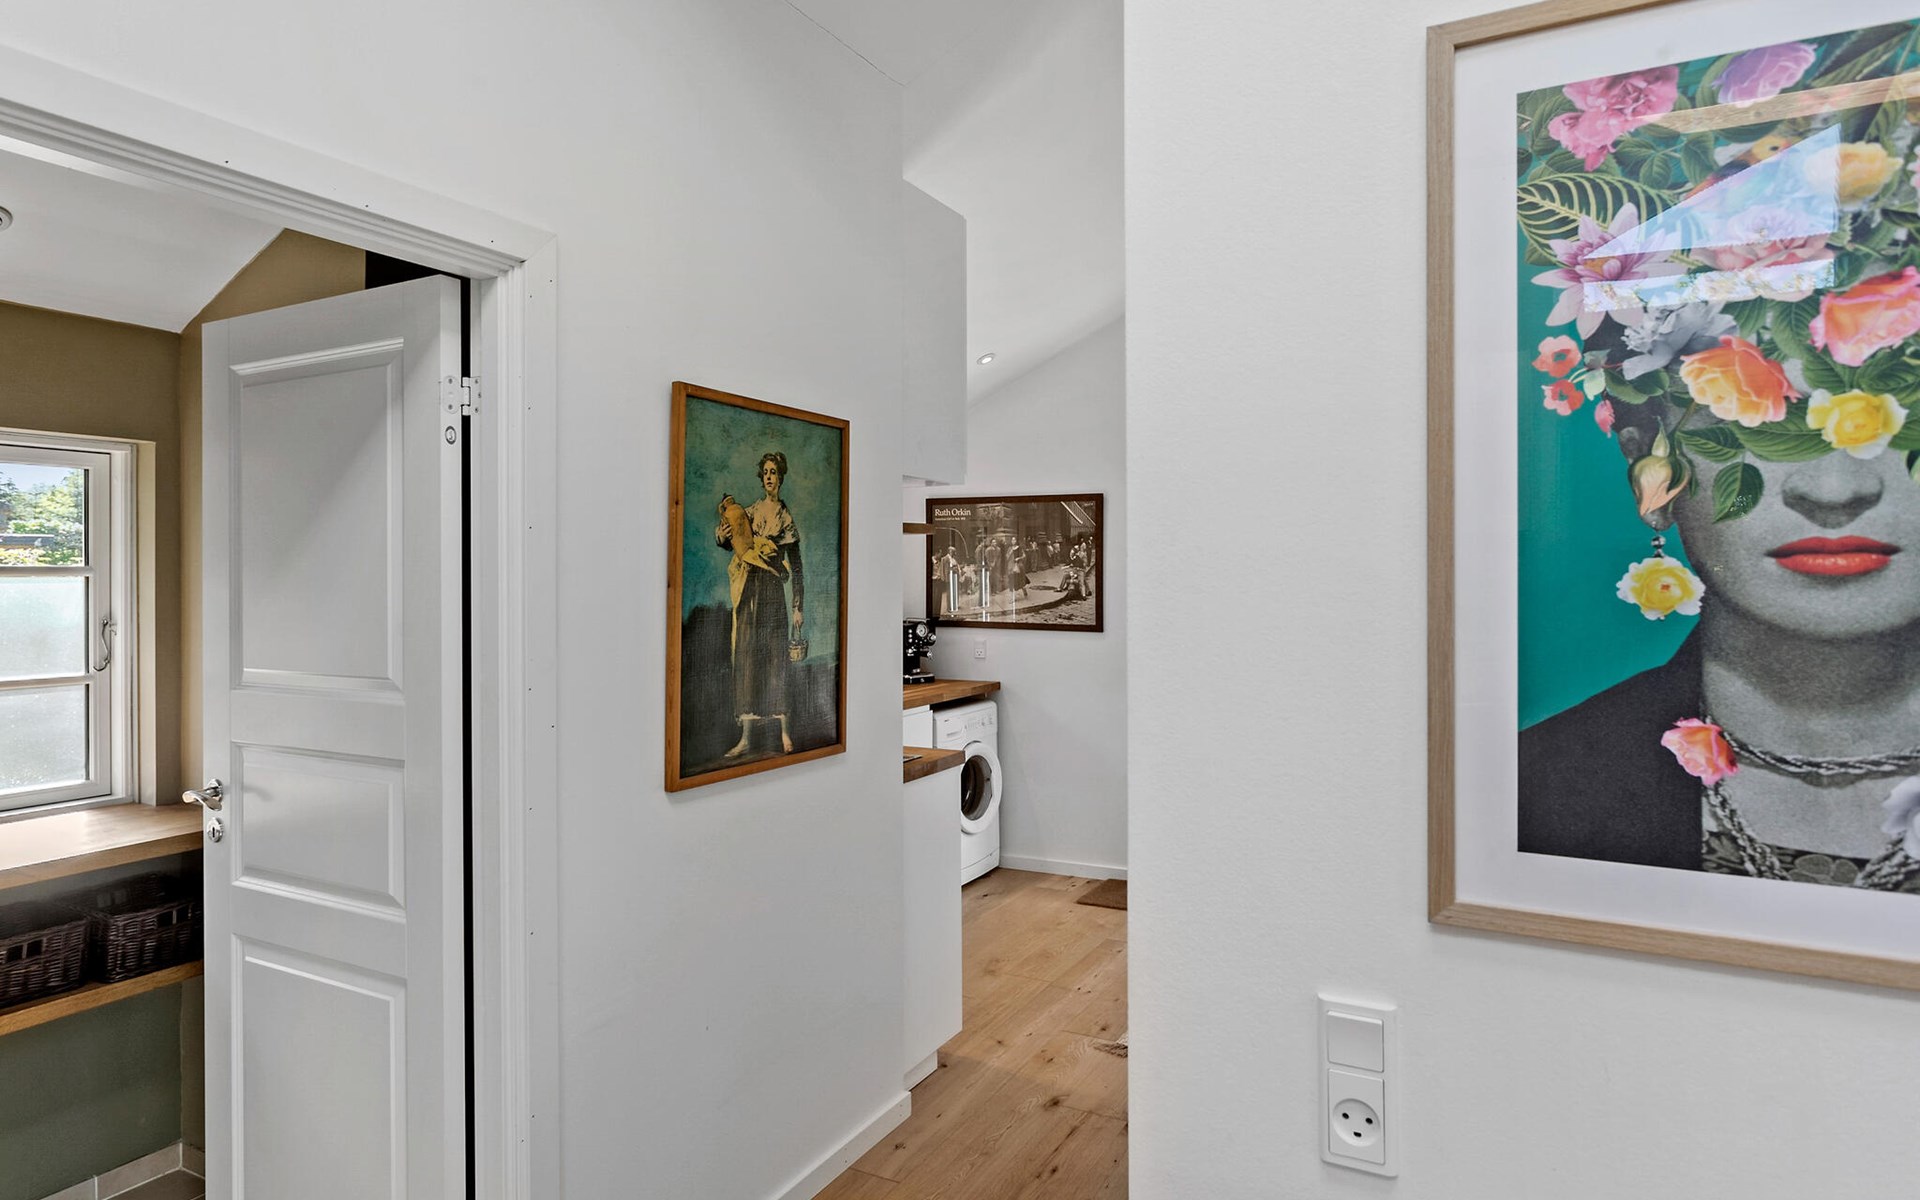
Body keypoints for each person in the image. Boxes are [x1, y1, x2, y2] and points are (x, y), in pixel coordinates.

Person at [1519, 407, 1920, 892]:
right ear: (1654, 477)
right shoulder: (1527, 792)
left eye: (1908, 417)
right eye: (1753, 421)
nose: (1833, 490)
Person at [714, 451, 803, 758]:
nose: (768, 477)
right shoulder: (750, 512)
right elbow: (734, 542)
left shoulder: (785, 518)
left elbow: (797, 567)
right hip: (749, 591)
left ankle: (784, 732)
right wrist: (722, 534)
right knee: (747, 655)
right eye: (765, 472)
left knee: (776, 657)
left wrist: (798, 606)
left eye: (773, 472)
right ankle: (746, 737)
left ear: (781, 477)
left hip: (773, 593)